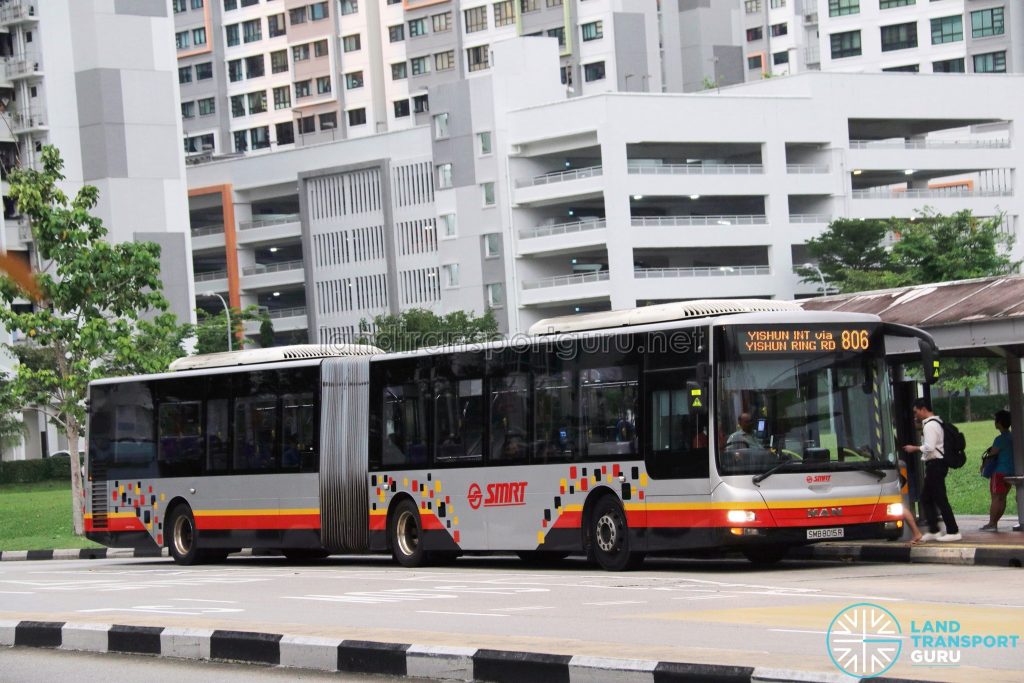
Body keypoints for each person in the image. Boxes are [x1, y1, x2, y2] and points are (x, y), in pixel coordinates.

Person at [902, 398, 961, 542]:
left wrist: (913, 448)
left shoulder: (930, 425)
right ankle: (934, 530)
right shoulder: (935, 423)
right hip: (935, 465)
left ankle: (953, 531)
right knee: (926, 498)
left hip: (936, 465)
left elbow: (930, 447)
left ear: (923, 409)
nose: (915, 415)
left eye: (916, 412)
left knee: (940, 499)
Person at [981, 410, 1014, 531]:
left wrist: (984, 464)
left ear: (999, 422)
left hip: (999, 472)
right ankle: (995, 523)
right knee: (1003, 498)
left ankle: (991, 524)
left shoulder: (999, 439)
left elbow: (992, 454)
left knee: (995, 498)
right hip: (1011, 472)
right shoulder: (1013, 437)